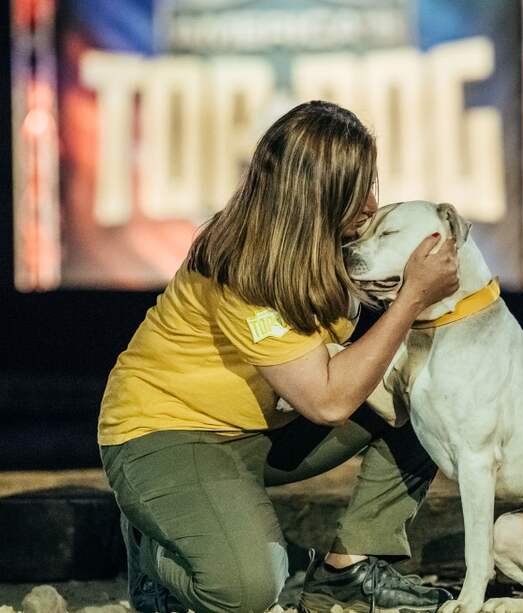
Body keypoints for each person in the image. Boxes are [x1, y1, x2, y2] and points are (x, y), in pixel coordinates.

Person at [98, 100, 460, 613]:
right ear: (315, 197)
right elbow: (328, 402)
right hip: (168, 435)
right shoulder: (246, 266)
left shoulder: (326, 241)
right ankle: (154, 554)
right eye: (354, 191)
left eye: (371, 184)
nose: (370, 203)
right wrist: (411, 298)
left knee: (430, 389)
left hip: (261, 427)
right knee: (248, 589)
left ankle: (348, 569)